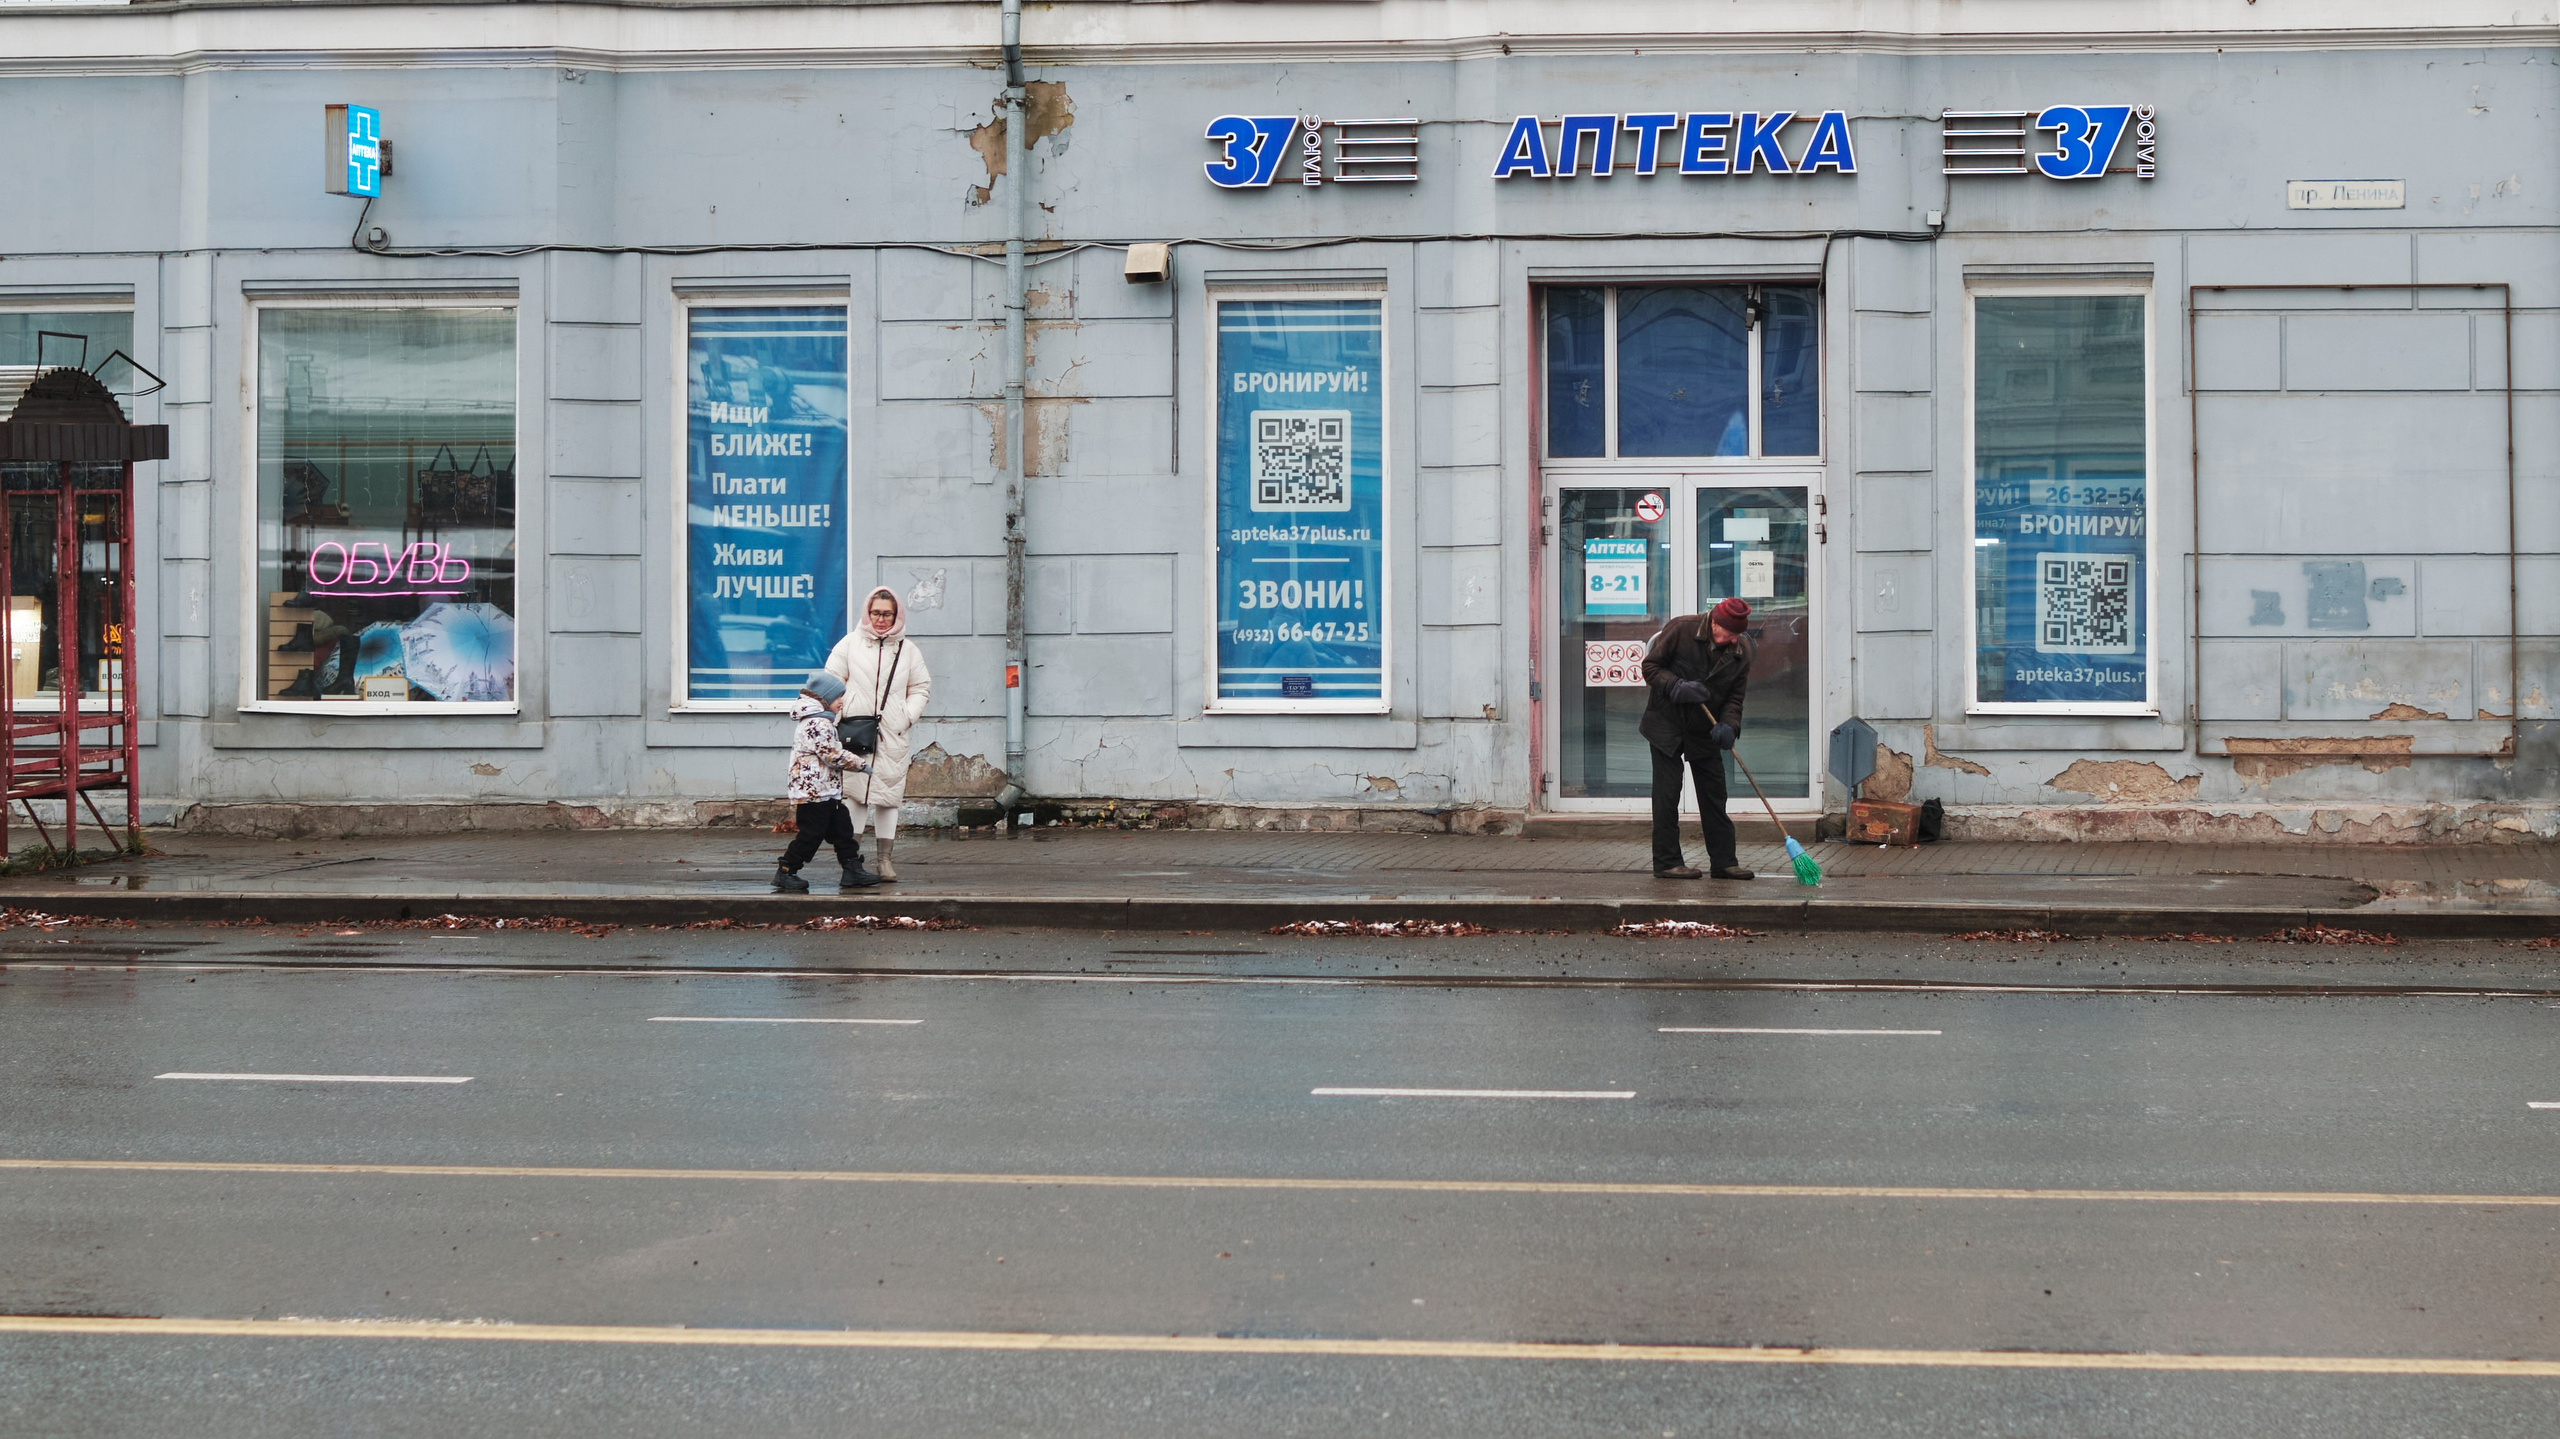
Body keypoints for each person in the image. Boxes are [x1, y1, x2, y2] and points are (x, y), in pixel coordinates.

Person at [1639, 596, 1756, 881]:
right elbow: (1650, 667)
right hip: (1666, 723)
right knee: (1667, 795)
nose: (1730, 640)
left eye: (1736, 635)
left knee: (1715, 795)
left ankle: (1724, 862)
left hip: (1705, 729)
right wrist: (1677, 686)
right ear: (1713, 622)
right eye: (1727, 633)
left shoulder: (1742, 651)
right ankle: (1667, 862)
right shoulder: (1681, 629)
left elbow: (1734, 698)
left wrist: (1729, 726)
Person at [825, 585, 933, 883]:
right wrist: (841, 713)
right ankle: (852, 861)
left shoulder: (908, 650)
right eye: (876, 613)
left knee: (888, 797)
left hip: (892, 735)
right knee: (855, 798)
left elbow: (921, 687)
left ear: (897, 615)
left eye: (887, 614)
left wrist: (906, 716)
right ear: (867, 613)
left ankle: (885, 860)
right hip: (855, 733)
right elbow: (831, 683)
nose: (881, 620)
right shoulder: (849, 645)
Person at [775, 669, 879, 892]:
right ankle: (786, 870)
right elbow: (832, 754)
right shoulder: (818, 724)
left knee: (842, 829)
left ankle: (852, 869)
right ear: (825, 699)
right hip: (814, 792)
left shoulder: (821, 721)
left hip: (825, 790)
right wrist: (861, 764)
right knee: (812, 834)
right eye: (838, 698)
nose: (841, 702)